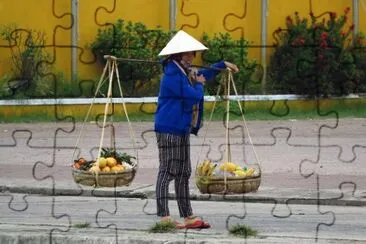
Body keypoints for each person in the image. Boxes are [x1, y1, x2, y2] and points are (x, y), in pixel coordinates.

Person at [154, 30, 239, 229]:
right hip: (168, 129)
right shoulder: (172, 75)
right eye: (188, 54)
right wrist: (200, 85)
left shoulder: (184, 72)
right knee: (167, 171)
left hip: (182, 128)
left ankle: (188, 216)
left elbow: (201, 74)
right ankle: (164, 217)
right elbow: (193, 95)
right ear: (177, 55)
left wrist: (221, 65)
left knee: (184, 172)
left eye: (193, 53)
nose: (192, 57)